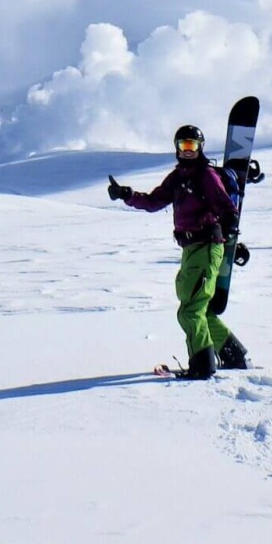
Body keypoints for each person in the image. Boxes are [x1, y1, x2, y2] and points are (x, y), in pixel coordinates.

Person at [107, 124, 250, 380]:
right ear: (177, 147)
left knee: (190, 311)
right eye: (183, 145)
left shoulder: (205, 175)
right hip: (191, 249)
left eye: (192, 146)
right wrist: (126, 195)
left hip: (206, 246)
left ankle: (202, 366)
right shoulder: (178, 177)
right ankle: (233, 354)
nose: (187, 151)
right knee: (200, 309)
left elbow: (225, 206)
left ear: (200, 148)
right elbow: (153, 201)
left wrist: (229, 227)